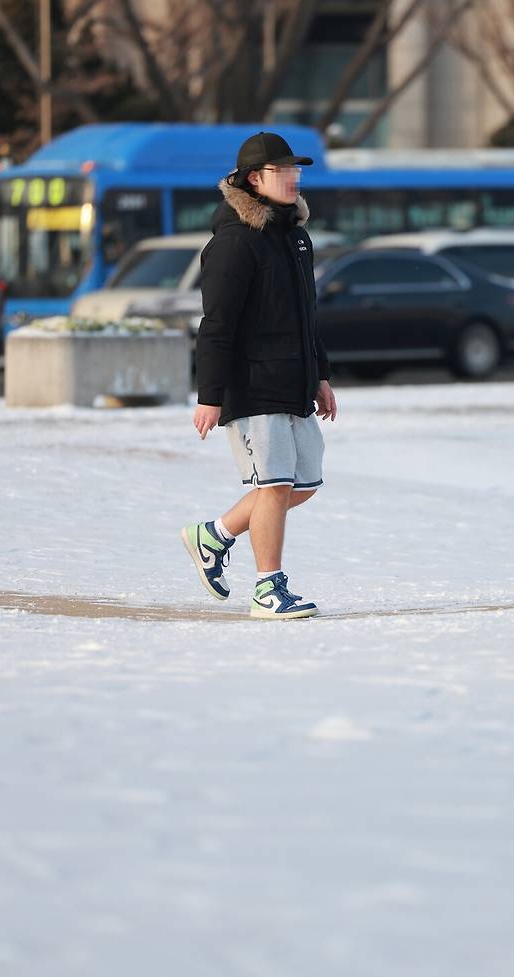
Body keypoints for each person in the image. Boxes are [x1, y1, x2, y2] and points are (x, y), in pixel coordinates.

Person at [181, 131, 337, 619]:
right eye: (283, 171)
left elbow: (305, 315)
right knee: (273, 486)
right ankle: (269, 589)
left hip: (294, 382)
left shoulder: (296, 237)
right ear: (255, 179)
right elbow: (217, 325)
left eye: (297, 170)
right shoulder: (233, 243)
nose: (294, 179)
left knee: (303, 484)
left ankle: (216, 534)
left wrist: (322, 376)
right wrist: (210, 395)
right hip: (251, 385)